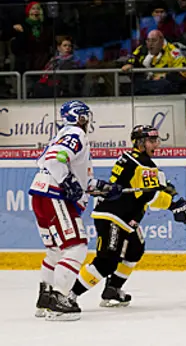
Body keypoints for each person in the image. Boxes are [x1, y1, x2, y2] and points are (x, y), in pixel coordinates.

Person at [68, 125, 186, 309]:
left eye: (156, 140)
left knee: (134, 250)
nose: (156, 144)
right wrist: (174, 205)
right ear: (140, 143)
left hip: (126, 218)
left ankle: (113, 290)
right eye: (151, 140)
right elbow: (149, 195)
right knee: (107, 261)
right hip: (113, 216)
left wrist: (169, 191)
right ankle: (69, 296)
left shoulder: (135, 160)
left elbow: (154, 185)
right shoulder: (141, 163)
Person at [29, 100, 122, 321]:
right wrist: (67, 181)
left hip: (41, 194)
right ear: (80, 117)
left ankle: (46, 298)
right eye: (85, 116)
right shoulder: (75, 134)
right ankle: (60, 300)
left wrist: (104, 188)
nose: (87, 121)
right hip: (54, 195)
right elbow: (55, 160)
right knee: (76, 247)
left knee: (56, 251)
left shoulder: (62, 135)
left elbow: (81, 179)